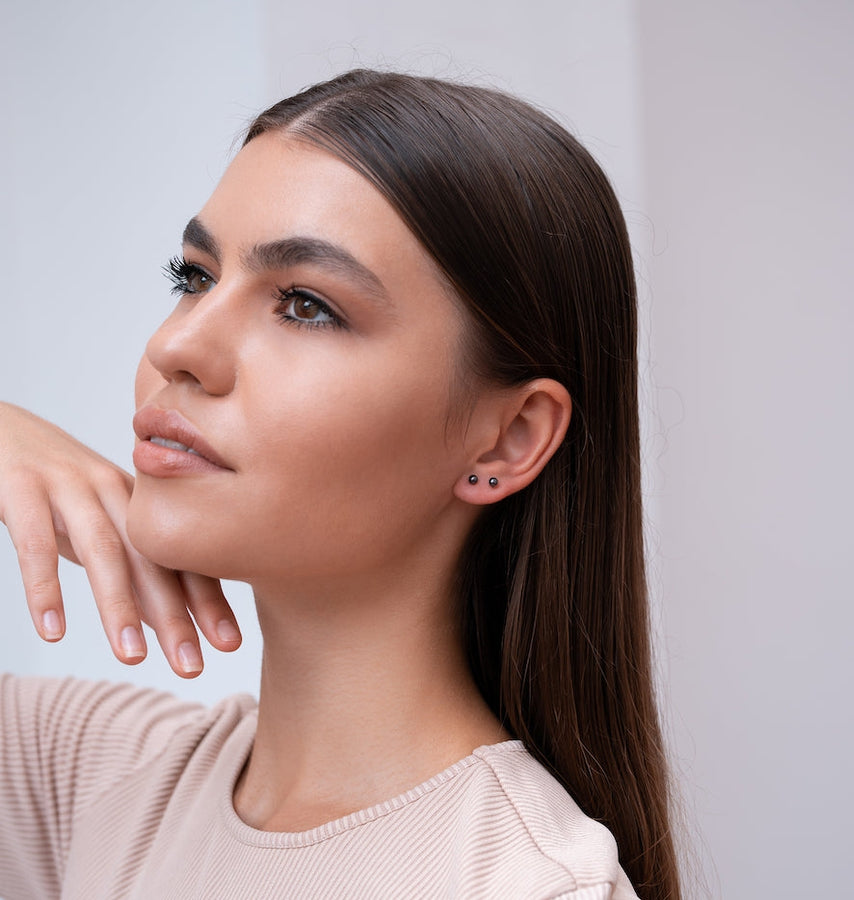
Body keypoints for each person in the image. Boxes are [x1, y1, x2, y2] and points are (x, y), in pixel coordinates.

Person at [0, 70, 680, 899]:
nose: (179, 347)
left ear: (509, 437)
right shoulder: (83, 782)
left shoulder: (523, 884)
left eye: (306, 305)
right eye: (196, 278)